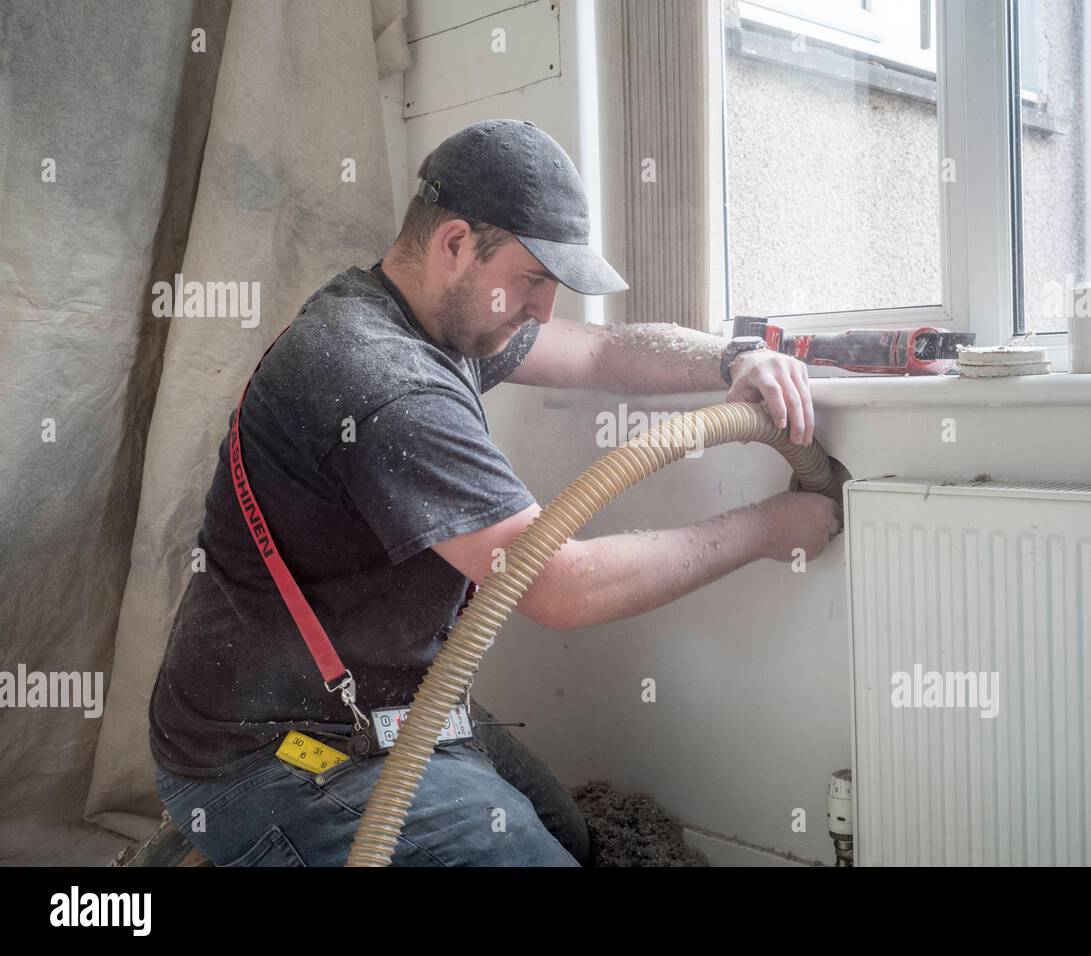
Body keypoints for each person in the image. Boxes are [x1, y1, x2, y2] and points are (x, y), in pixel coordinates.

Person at [148, 119, 840, 867]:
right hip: (269, 754)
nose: (543, 310)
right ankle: (234, 843)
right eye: (535, 278)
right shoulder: (381, 379)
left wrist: (734, 358)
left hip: (387, 716)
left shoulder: (432, 315)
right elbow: (553, 585)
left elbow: (601, 350)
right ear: (454, 245)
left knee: (569, 837)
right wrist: (768, 531)